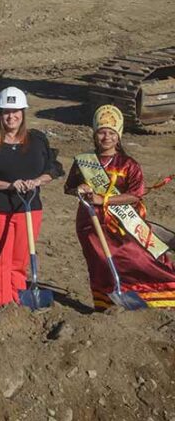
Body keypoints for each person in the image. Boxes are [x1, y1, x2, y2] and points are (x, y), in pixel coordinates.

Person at [64, 105, 175, 309]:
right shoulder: (84, 161)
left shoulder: (128, 164)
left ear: (119, 136)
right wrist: (79, 189)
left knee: (136, 257)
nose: (106, 137)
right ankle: (107, 303)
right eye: (102, 132)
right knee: (100, 263)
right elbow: (69, 187)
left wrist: (103, 200)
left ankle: (160, 292)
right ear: (95, 134)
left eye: (111, 133)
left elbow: (135, 195)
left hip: (124, 223)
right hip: (91, 223)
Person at [0, 87, 63, 308]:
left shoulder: (37, 140)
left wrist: (38, 181)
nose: (11, 116)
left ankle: (17, 303)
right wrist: (9, 185)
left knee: (19, 261)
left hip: (29, 209)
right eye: (6, 111)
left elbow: (53, 168)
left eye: (15, 111)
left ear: (23, 113)